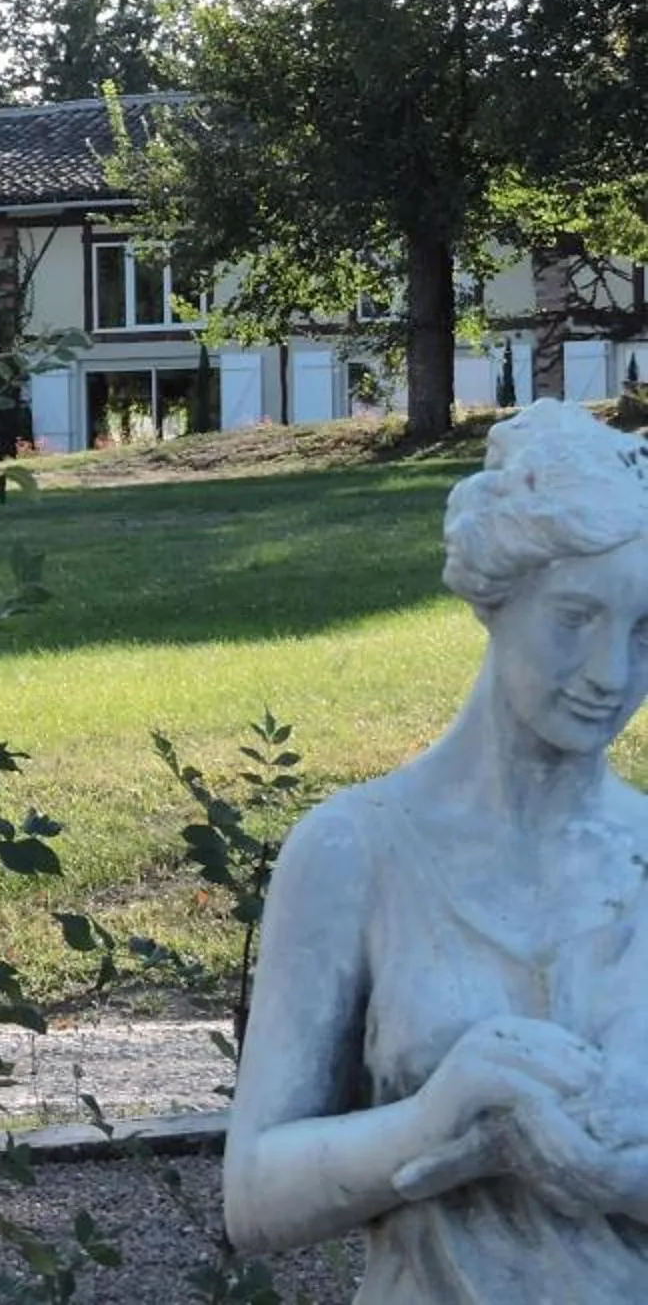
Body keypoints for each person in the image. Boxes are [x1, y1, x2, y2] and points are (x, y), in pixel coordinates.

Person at [225, 397, 648, 1299]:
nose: (613, 674)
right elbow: (254, 1197)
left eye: (647, 632)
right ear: (499, 596)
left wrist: (620, 1178)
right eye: (577, 617)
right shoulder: (355, 852)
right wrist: (439, 1126)